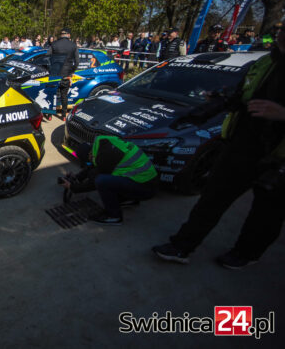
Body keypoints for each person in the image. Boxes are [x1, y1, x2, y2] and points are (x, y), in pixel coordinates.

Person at [153, 21, 285, 269]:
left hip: (278, 158)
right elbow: (241, 93)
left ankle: (246, 253)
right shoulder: (264, 62)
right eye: (282, 30)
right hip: (241, 145)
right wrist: (220, 99)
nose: (282, 36)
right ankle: (182, 246)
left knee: (266, 212)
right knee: (211, 199)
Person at [59, 136, 158, 225]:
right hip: (148, 180)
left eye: (88, 161)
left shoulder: (105, 156)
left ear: (90, 154)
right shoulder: (102, 143)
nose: (89, 163)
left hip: (145, 187)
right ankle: (127, 199)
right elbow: (94, 167)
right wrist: (77, 177)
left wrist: (72, 187)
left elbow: (93, 183)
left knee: (101, 181)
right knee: (103, 176)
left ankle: (114, 216)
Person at [48, 27, 79, 120]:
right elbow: (77, 62)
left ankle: (49, 115)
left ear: (61, 35)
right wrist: (71, 72)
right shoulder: (73, 45)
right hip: (66, 75)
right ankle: (64, 115)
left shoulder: (54, 44)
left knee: (52, 95)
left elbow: (48, 58)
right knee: (64, 95)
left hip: (55, 74)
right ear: (68, 35)